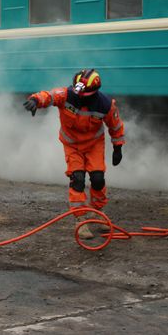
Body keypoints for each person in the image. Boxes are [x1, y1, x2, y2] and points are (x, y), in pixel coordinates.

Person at [23, 69, 125, 239]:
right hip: (72, 146)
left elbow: (115, 125)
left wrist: (118, 147)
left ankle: (97, 213)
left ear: (93, 93)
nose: (78, 96)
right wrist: (35, 100)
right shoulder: (67, 94)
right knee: (77, 179)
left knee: (98, 179)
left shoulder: (105, 104)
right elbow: (49, 95)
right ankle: (80, 220)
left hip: (94, 145)